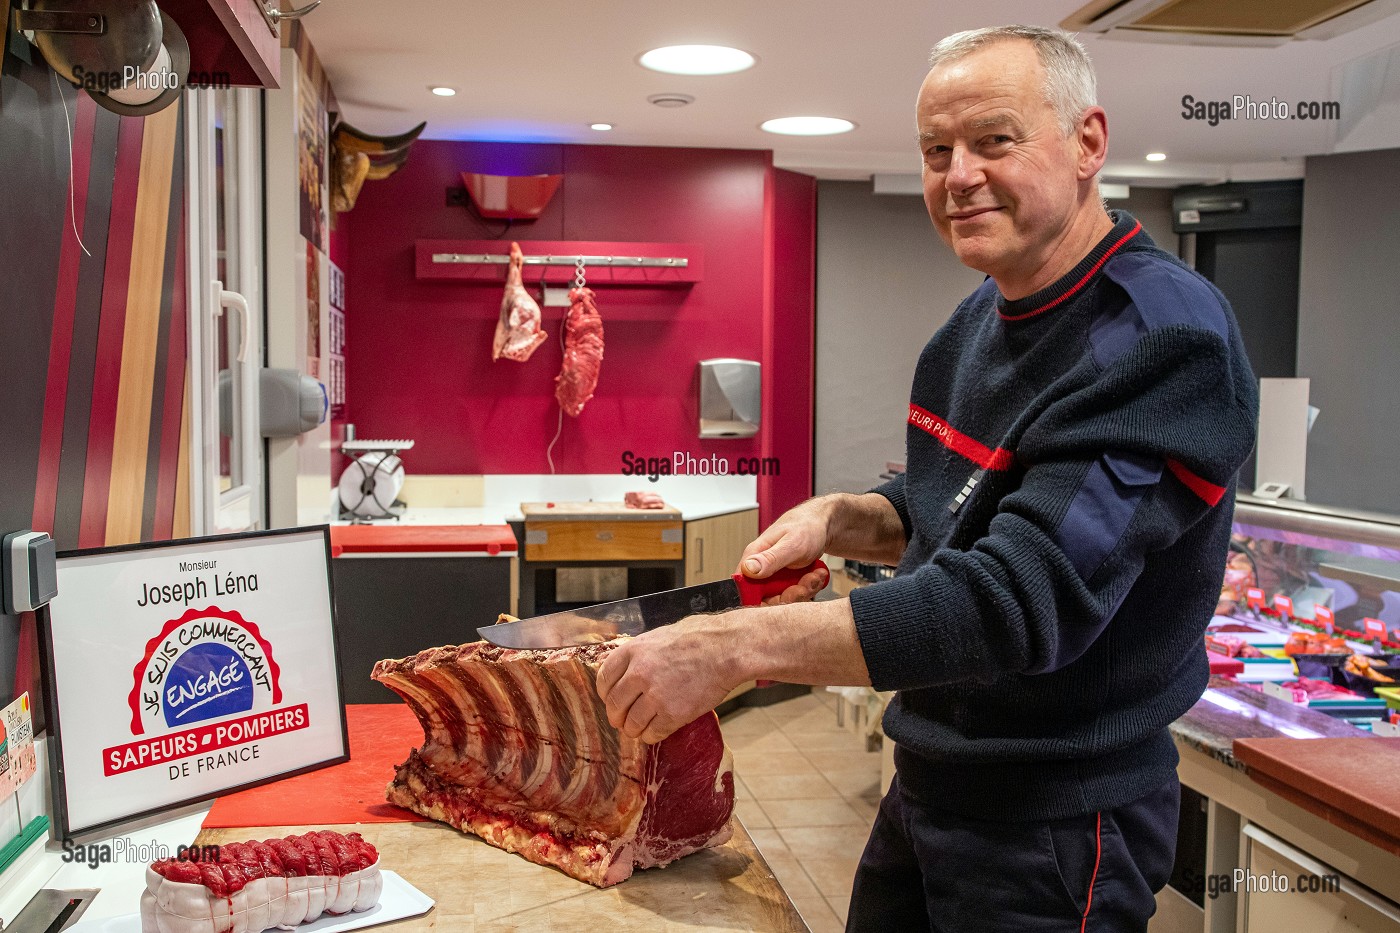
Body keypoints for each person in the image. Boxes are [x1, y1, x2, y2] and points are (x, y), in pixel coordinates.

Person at [597, 23, 1258, 932]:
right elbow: (959, 500)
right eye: (936, 150)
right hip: (933, 784)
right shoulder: (977, 320)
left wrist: (732, 646)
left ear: (1088, 143)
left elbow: (1014, 601)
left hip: (1056, 821)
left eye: (994, 140)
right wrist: (847, 516)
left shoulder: (1162, 339)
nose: (958, 175)